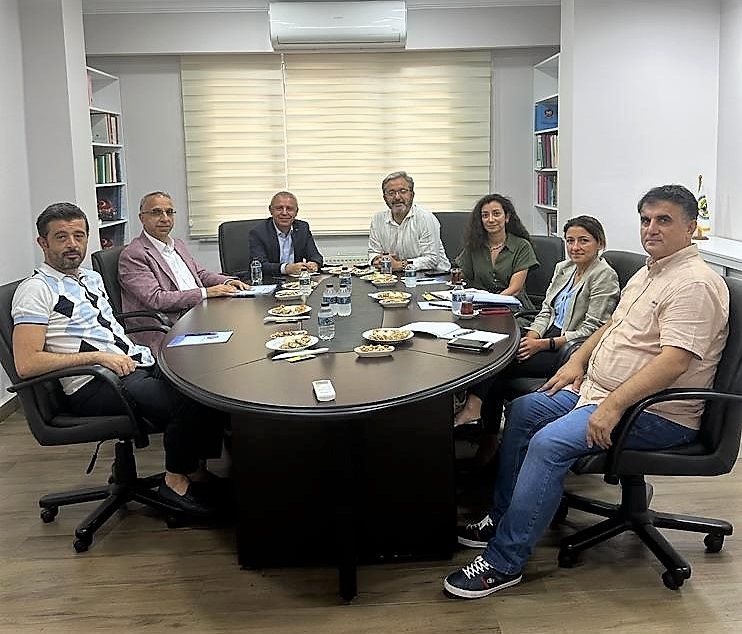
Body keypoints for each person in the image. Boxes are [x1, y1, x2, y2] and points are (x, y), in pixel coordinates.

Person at [444, 184, 729, 599]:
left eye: (663, 220)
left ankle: (504, 561)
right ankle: (502, 518)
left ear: (690, 227)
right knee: (523, 410)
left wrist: (612, 405)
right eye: (645, 220)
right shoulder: (650, 272)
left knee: (548, 443)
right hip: (597, 390)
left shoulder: (693, 284)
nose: (651, 228)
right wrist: (578, 362)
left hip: (652, 412)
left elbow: (674, 362)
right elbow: (612, 326)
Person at [12, 203, 227, 517]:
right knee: (190, 400)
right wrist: (98, 357)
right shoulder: (35, 291)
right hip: (95, 382)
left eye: (78, 236)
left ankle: (194, 470)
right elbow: (26, 363)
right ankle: (175, 480)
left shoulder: (90, 278)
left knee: (207, 383)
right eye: (61, 237)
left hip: (132, 363)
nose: (72, 244)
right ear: (42, 243)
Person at [455, 216, 620, 435]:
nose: (575, 247)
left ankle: (475, 414)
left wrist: (543, 344)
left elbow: (592, 330)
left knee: (497, 363)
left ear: (600, 243)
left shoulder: (604, 276)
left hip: (570, 349)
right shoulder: (564, 268)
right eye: (570, 241)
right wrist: (532, 336)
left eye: (584, 241)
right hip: (546, 334)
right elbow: (546, 310)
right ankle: (486, 433)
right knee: (492, 347)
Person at [119, 191, 249, 350]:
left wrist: (227, 281)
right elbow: (156, 299)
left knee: (245, 322)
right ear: (142, 218)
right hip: (170, 325)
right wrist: (205, 292)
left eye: (169, 212)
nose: (165, 218)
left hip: (199, 312)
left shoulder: (177, 244)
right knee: (232, 343)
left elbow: (200, 274)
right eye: (156, 212)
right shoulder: (134, 255)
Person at [453, 194, 540, 432]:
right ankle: (460, 402)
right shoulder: (474, 247)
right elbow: (462, 278)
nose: (490, 219)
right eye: (485, 215)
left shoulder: (521, 246)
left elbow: (515, 288)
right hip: (479, 313)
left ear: (507, 217)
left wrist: (488, 303)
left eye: (496, 214)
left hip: (513, 313)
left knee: (494, 348)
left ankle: (474, 405)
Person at [368, 171, 451, 272]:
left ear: (412, 195)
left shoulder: (425, 218)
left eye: (403, 191)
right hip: (396, 276)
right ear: (385, 198)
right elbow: (373, 252)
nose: (397, 197)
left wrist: (399, 265)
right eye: (391, 193)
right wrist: (378, 260)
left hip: (433, 275)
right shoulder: (378, 219)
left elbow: (432, 260)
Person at [248, 191, 324, 277]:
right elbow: (259, 265)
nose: (284, 213)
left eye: (289, 209)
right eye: (279, 208)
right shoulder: (259, 232)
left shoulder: (302, 228)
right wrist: (286, 268)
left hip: (296, 280)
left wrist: (314, 263)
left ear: (296, 212)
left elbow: (316, 256)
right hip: (271, 280)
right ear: (271, 210)